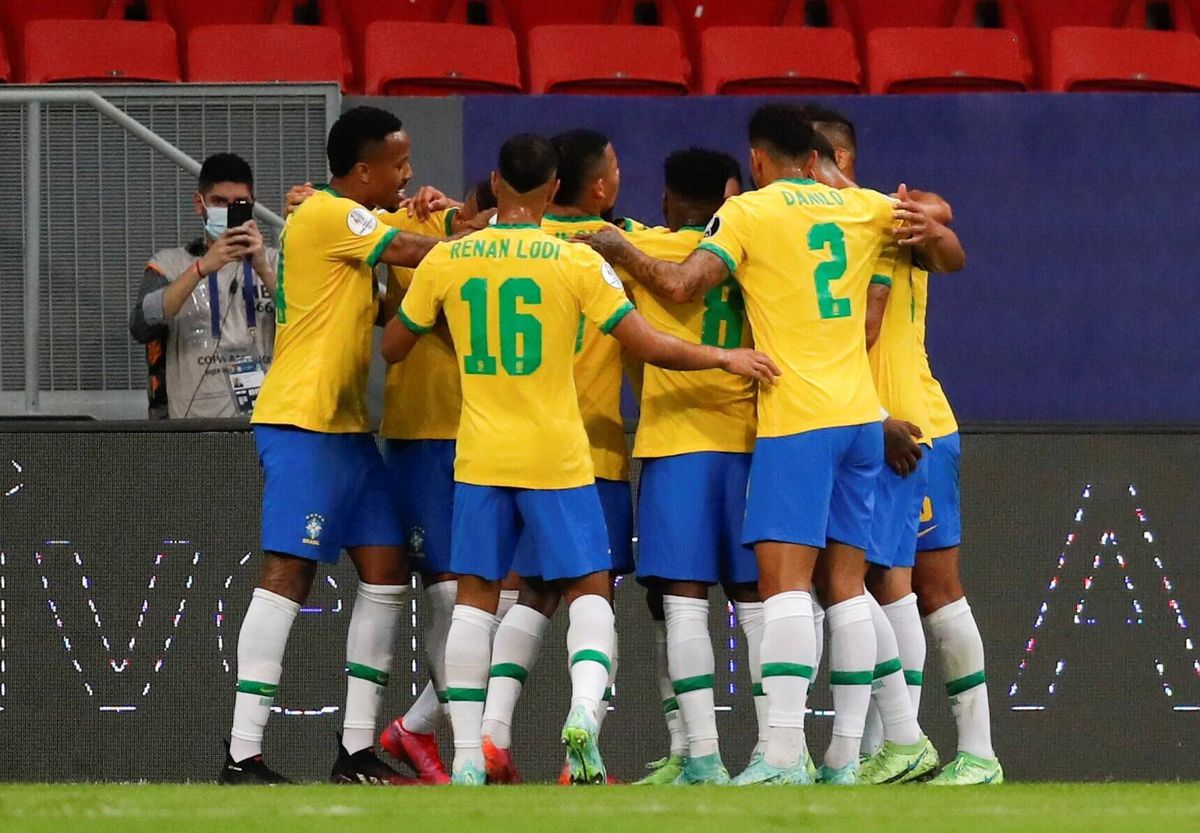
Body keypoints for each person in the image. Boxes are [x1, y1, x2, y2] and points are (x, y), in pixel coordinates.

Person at [381, 132, 779, 786]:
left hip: (479, 456)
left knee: (479, 599)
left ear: (497, 181)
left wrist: (466, 337)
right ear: (556, 186)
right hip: (563, 456)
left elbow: (396, 344)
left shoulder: (448, 261)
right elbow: (648, 342)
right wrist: (724, 356)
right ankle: (584, 716)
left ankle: (465, 757)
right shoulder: (579, 259)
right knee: (592, 590)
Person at [584, 104, 896, 786]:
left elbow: (677, 281)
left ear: (756, 163)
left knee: (732, 596)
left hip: (755, 427)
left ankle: (740, 755)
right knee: (835, 590)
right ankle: (840, 755)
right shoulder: (864, 210)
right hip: (836, 420)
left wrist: (613, 245)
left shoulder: (731, 224)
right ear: (820, 158)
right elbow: (927, 222)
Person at [218, 106, 444, 786]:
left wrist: (432, 220)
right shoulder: (326, 213)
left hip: (347, 430)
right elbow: (406, 252)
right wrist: (473, 238)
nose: (407, 174)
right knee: (290, 573)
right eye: (399, 164)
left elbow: (385, 302)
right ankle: (241, 752)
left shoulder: (355, 227)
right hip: (302, 424)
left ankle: (354, 751)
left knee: (385, 570)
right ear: (364, 169)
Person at [807, 106, 1004, 786]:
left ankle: (930, 743)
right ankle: (918, 747)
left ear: (841, 161)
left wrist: (938, 222)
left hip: (904, 428)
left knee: (902, 584)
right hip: (889, 424)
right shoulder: (818, 228)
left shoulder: (885, 220)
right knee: (898, 585)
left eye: (826, 160)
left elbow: (950, 252)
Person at [478, 129, 637, 783]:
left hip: (509, 448)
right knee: (592, 593)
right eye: (616, 163)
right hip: (586, 450)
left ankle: (489, 737)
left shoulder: (491, 242)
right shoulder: (622, 247)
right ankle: (582, 741)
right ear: (596, 186)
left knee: (533, 594)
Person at [617, 148, 760, 786]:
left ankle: (701, 755)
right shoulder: (753, 242)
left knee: (682, 602)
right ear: (730, 193)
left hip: (676, 444)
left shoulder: (644, 243)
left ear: (670, 200)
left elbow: (554, 227)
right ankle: (778, 752)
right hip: (754, 440)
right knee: (760, 601)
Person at [129, 153, 276, 419]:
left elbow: (309, 323)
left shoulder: (276, 263)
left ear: (252, 206)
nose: (230, 210)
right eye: (220, 202)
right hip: (192, 427)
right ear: (200, 204)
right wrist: (201, 269)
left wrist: (263, 268)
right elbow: (141, 326)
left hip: (269, 422)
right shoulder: (169, 264)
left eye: (239, 204)